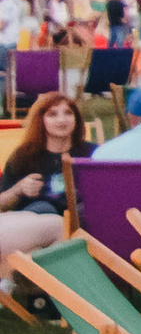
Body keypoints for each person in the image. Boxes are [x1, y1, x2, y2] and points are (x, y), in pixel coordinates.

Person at [0, 93, 89, 277]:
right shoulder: (24, 156)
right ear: (41, 120)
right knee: (43, 208)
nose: (62, 119)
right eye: (52, 114)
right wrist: (18, 190)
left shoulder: (91, 154)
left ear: (76, 118)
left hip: (81, 227)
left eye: (68, 113)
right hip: (36, 229)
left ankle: (11, 277)